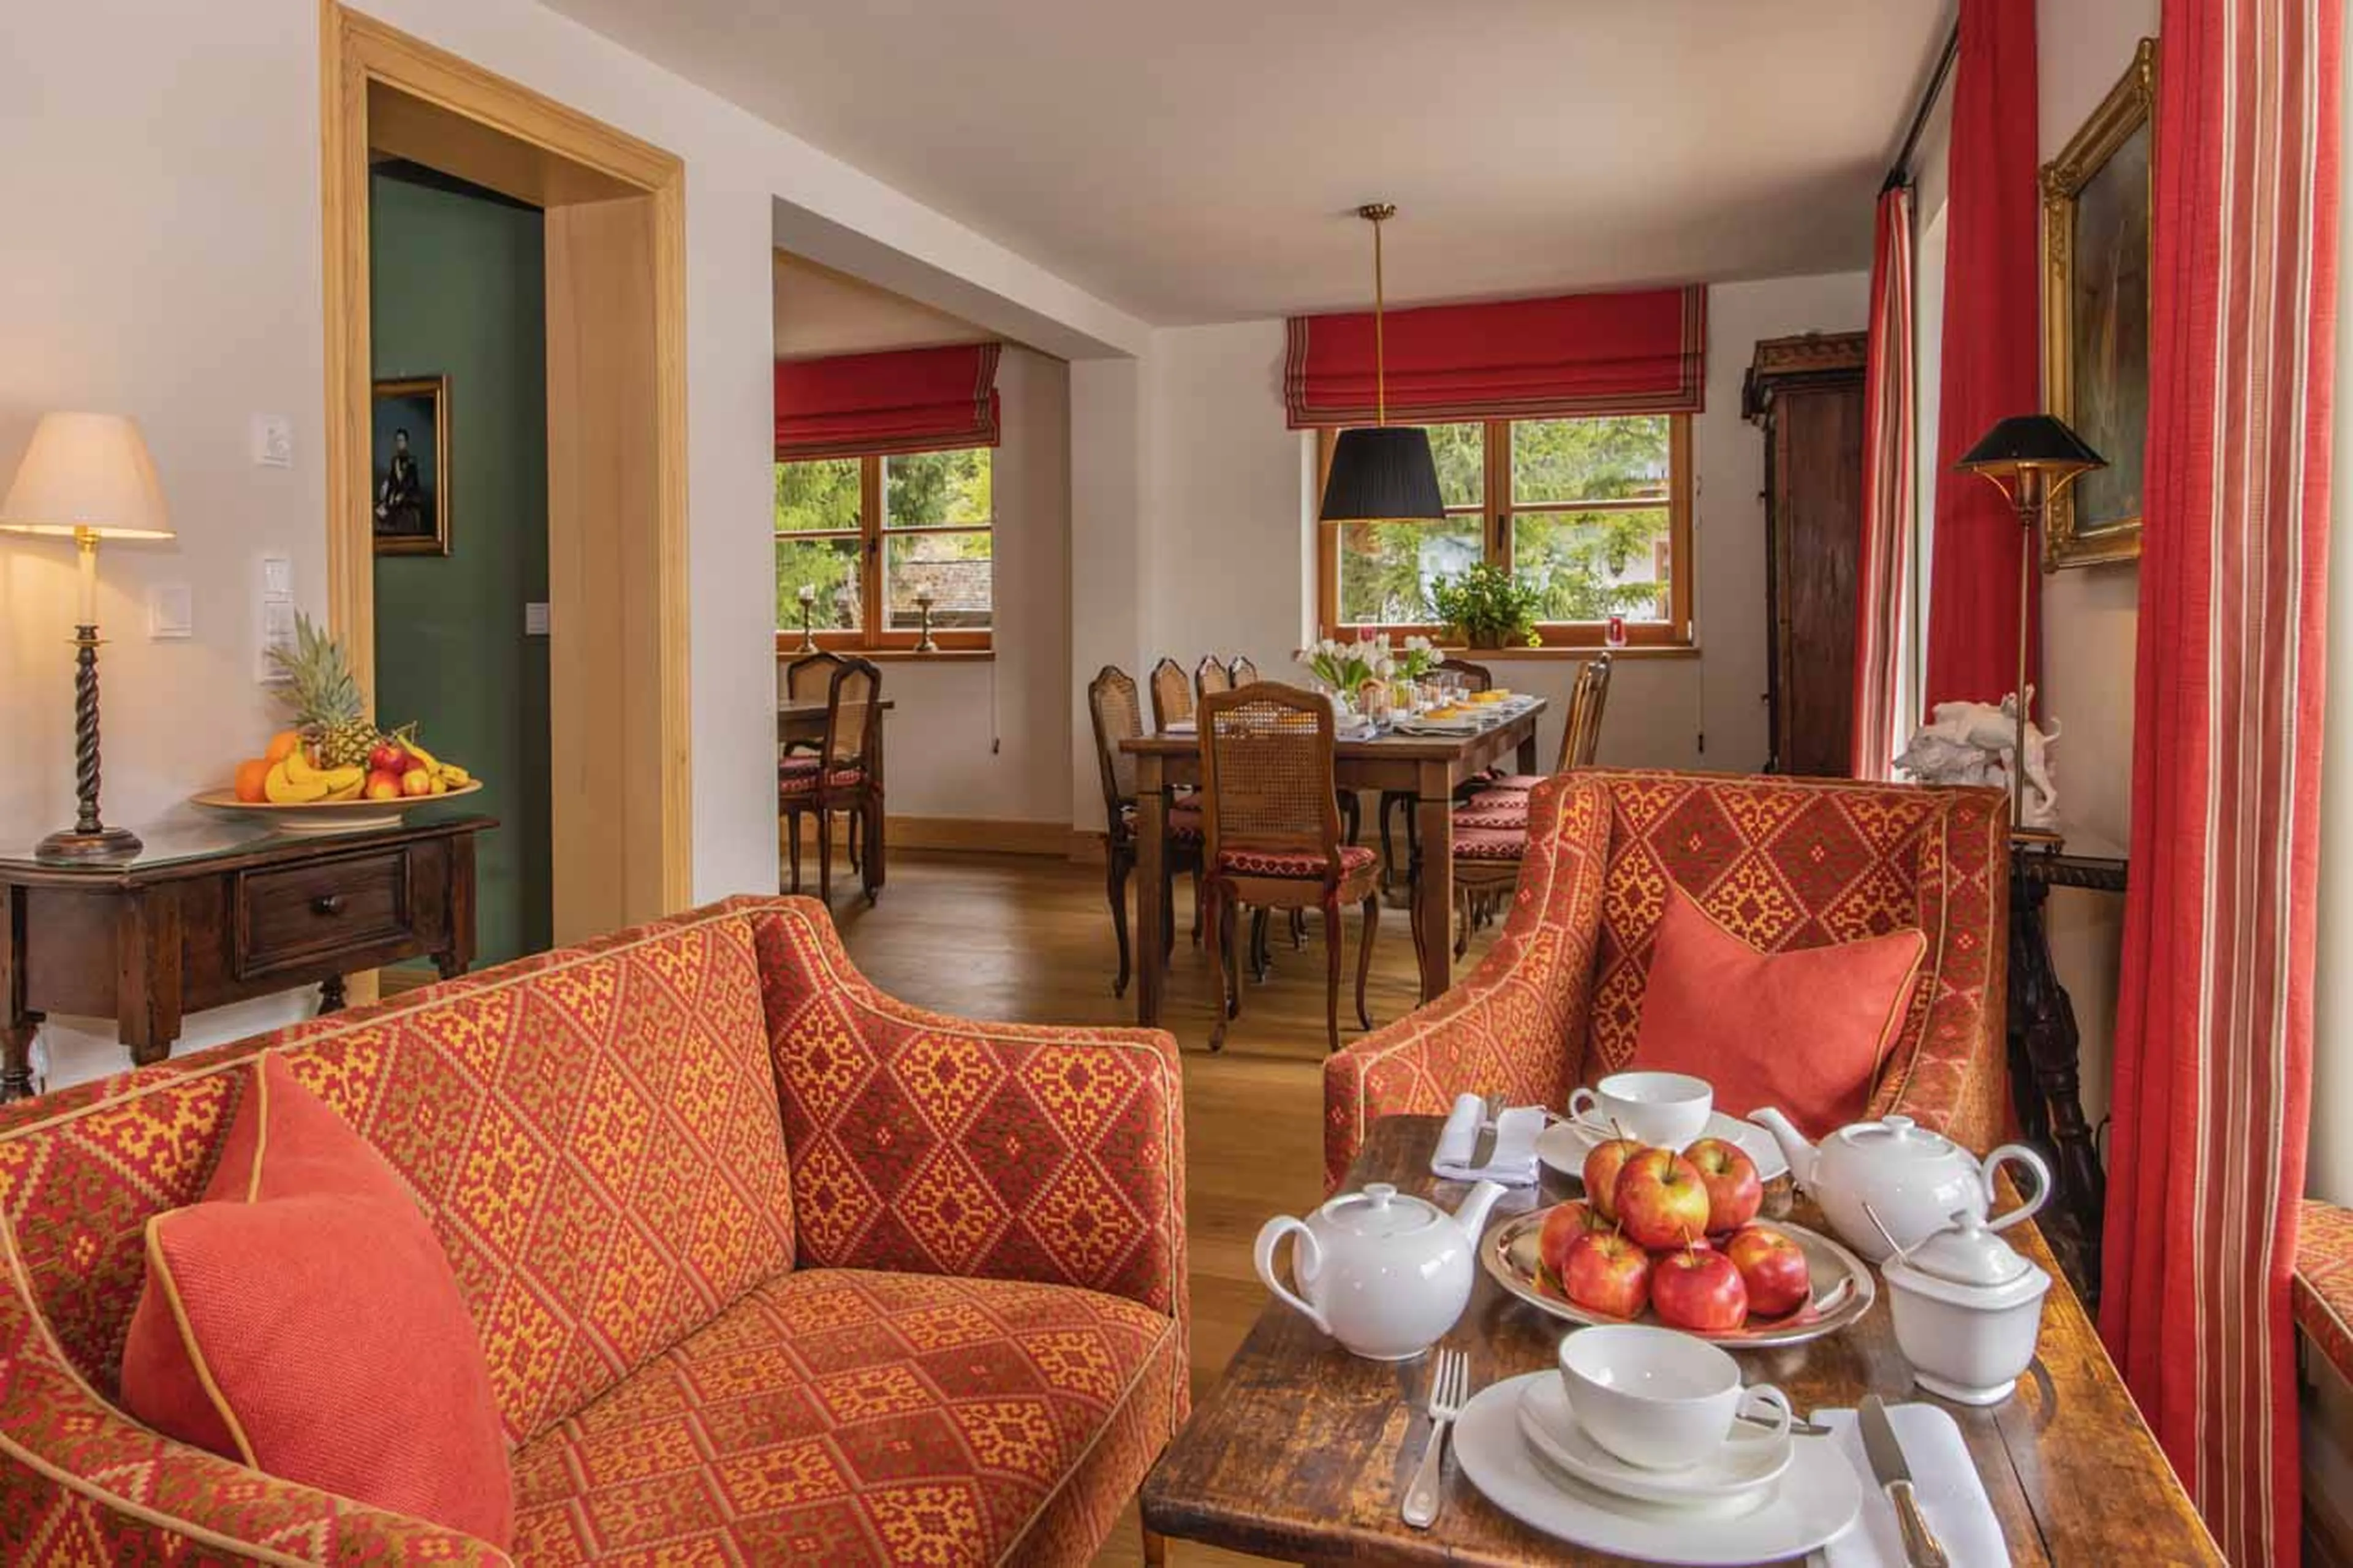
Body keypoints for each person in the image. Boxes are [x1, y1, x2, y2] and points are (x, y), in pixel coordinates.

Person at [375, 427, 425, 536]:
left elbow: (410, 483)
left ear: (406, 443)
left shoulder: (412, 461)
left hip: (410, 494)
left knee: (397, 504)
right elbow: (393, 481)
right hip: (397, 494)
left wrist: (399, 495)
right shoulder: (394, 461)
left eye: (401, 441)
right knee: (383, 505)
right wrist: (388, 495)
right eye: (397, 441)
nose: (399, 444)